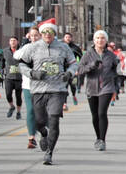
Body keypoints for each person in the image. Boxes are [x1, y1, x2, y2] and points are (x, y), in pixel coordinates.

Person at [14, 21, 78, 164]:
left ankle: (49, 152)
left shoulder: (63, 47)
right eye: (44, 33)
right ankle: (43, 134)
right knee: (39, 122)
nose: (47, 35)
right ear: (41, 34)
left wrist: (69, 73)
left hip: (57, 89)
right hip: (38, 89)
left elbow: (74, 63)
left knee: (54, 120)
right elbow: (22, 64)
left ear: (54, 34)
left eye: (50, 32)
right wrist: (32, 73)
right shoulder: (32, 47)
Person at [77, 30, 119, 150]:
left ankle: (102, 140)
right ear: (94, 40)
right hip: (91, 88)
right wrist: (92, 66)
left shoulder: (111, 55)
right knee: (95, 115)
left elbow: (116, 72)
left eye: (102, 38)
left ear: (106, 41)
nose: (100, 40)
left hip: (106, 87)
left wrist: (116, 86)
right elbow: (80, 70)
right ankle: (98, 137)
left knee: (102, 113)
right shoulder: (88, 54)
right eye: (97, 38)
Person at [19, 25, 41, 148]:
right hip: (28, 84)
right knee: (31, 110)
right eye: (31, 36)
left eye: (36, 35)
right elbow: (18, 58)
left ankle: (44, 133)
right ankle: (31, 137)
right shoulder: (25, 48)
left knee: (42, 112)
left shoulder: (47, 48)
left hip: (44, 85)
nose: (34, 38)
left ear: (40, 36)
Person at [2, 35, 24, 118]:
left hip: (19, 77)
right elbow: (2, 62)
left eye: (14, 40)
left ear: (17, 42)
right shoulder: (5, 51)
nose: (13, 42)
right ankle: (11, 106)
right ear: (9, 42)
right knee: (8, 94)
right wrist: (1, 70)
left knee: (18, 97)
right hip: (9, 77)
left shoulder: (21, 50)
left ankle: (18, 112)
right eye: (11, 41)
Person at [62, 31, 83, 106]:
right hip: (63, 69)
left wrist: (78, 69)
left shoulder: (75, 47)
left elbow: (81, 58)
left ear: (71, 38)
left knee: (73, 85)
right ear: (64, 38)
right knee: (64, 86)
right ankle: (64, 103)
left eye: (69, 37)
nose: (68, 38)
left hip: (73, 69)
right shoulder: (60, 46)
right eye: (66, 37)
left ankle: (74, 95)